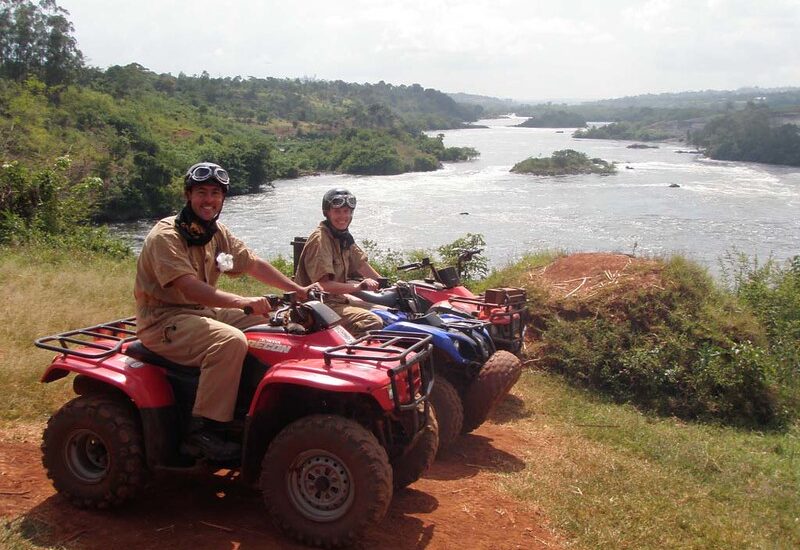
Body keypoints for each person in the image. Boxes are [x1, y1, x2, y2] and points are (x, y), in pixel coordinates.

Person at [134, 161, 316, 462]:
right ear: (187, 195)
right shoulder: (166, 236)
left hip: (201, 313)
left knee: (272, 322)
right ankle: (205, 430)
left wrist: (297, 290)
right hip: (163, 320)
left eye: (216, 193)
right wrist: (240, 301)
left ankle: (249, 401)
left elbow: (251, 264)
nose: (209, 200)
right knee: (229, 342)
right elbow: (189, 287)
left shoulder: (214, 232)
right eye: (202, 192)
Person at [295, 188, 383, 337]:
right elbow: (323, 286)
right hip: (318, 305)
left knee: (388, 312)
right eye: (338, 212)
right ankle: (348, 353)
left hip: (337, 301)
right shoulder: (321, 239)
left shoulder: (343, 237)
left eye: (347, 212)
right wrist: (359, 286)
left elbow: (361, 265)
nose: (343, 216)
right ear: (327, 213)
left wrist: (387, 285)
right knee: (372, 321)